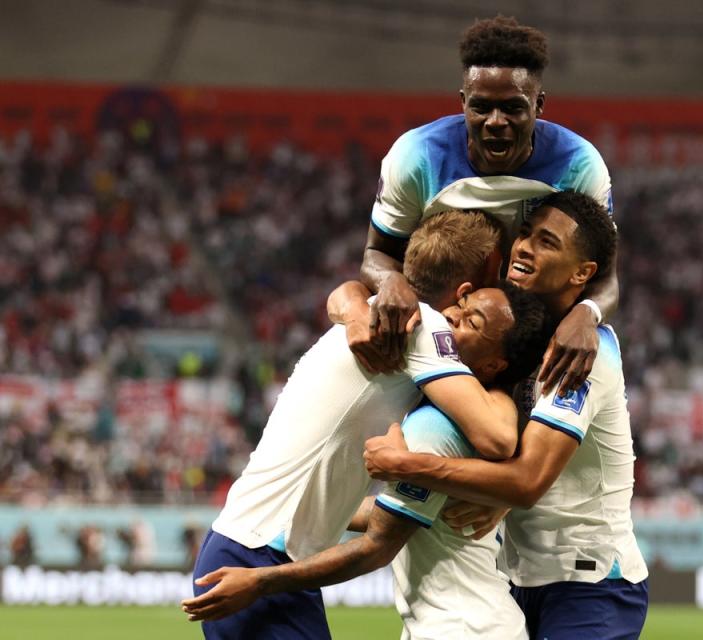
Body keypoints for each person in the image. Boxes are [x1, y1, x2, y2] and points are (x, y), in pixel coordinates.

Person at [185, 210, 548, 639]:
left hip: (262, 550)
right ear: (471, 284)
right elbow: (497, 437)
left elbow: (346, 292)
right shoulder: (424, 327)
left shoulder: (376, 311)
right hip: (258, 558)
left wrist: (353, 302)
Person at [364, 191, 650, 640]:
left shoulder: (582, 355)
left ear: (583, 272)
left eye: (547, 242)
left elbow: (527, 481)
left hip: (590, 584)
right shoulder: (516, 345)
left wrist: (407, 466)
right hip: (519, 579)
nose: (524, 248)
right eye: (525, 234)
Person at [362, 15, 619, 397]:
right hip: (444, 340)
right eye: (481, 107)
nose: (495, 122)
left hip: (537, 349)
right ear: (463, 102)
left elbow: (605, 277)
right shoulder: (416, 156)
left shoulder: (578, 163)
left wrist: (588, 315)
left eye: (513, 108)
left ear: (539, 104)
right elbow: (375, 256)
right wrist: (391, 280)